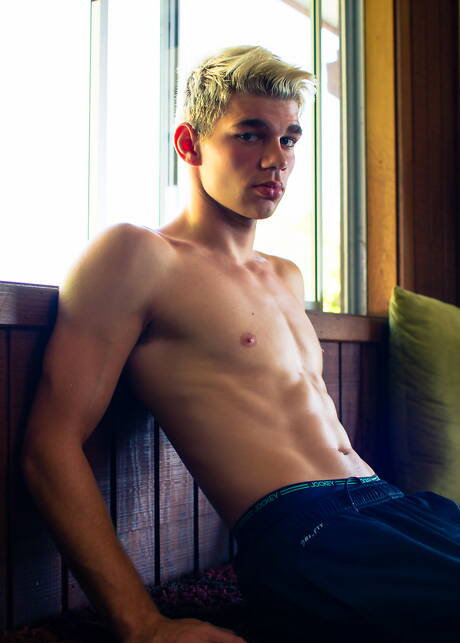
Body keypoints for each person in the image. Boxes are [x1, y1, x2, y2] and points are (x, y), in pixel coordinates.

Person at [22, 45, 459, 643]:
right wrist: (143, 624)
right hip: (311, 534)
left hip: (397, 507)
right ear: (189, 144)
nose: (276, 159)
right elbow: (49, 446)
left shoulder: (285, 276)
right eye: (250, 135)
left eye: (289, 139)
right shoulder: (138, 255)